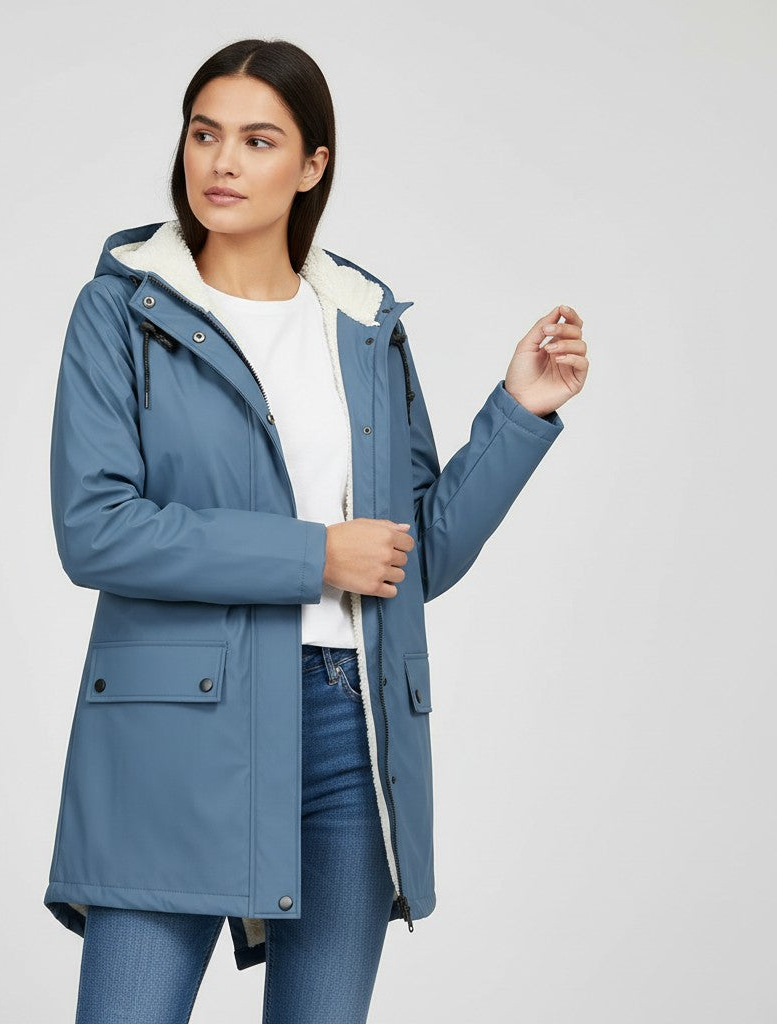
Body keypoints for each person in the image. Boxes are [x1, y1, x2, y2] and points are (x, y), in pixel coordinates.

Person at [44, 37, 587, 1024]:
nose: (222, 162)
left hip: (350, 726)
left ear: (311, 165)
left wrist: (519, 413)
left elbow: (413, 555)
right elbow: (97, 527)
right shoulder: (121, 311)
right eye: (204, 134)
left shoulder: (361, 323)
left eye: (258, 141)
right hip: (174, 725)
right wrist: (313, 555)